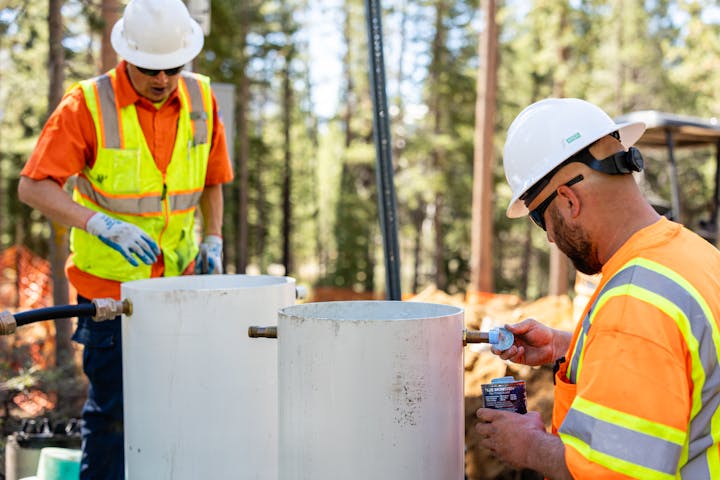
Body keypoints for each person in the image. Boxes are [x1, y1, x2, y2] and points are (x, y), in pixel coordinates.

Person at [18, 0, 233, 477]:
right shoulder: (87, 105)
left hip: (179, 287)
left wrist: (213, 238)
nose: (162, 80)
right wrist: (99, 223)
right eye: (150, 70)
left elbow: (213, 177)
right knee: (114, 416)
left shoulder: (201, 99)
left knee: (181, 406)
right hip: (109, 295)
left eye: (172, 69)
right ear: (126, 57)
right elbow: (33, 186)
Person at [475, 98, 720, 479]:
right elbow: (676, 358)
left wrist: (529, 447)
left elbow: (617, 473)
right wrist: (566, 346)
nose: (551, 240)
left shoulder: (633, 304)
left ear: (568, 201)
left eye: (542, 222)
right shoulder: (694, 255)